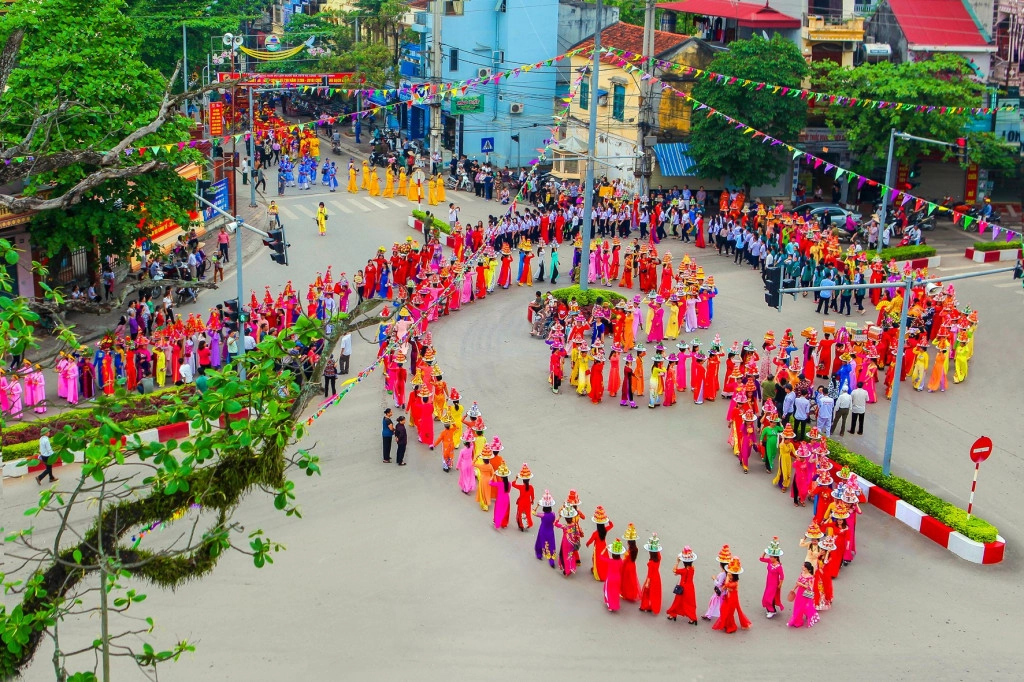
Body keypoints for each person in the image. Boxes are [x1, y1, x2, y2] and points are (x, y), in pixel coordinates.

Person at [665, 546, 698, 624]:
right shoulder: (693, 568)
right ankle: (692, 618)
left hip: (683, 587)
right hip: (690, 587)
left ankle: (672, 614)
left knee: (677, 601)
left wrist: (677, 562)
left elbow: (674, 570)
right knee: (690, 603)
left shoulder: (683, 570)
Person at [787, 561, 820, 628]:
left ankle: (798, 621)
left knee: (801, 607)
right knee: (797, 605)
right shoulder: (802, 573)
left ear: (807, 568)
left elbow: (810, 587)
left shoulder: (810, 577)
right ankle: (797, 619)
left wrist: (801, 584)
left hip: (805, 594)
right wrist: (794, 589)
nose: (802, 566)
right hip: (799, 592)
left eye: (804, 566)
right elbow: (798, 582)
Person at [760, 537, 785, 618]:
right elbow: (761, 559)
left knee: (769, 596)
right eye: (770, 556)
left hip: (774, 583)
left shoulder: (779, 566)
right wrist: (764, 552)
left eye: (771, 557)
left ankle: (772, 611)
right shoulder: (770, 561)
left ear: (776, 557)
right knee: (768, 595)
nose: (770, 558)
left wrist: (780, 584)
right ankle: (770, 609)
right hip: (768, 582)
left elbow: (782, 576)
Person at [638, 533, 663, 616]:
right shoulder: (658, 559)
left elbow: (649, 574)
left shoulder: (651, 562)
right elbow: (658, 552)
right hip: (657, 577)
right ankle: (651, 606)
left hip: (651, 578)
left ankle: (644, 606)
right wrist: (654, 540)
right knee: (655, 593)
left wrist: (647, 583)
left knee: (646, 592)